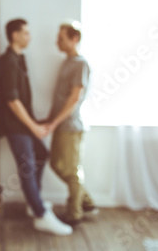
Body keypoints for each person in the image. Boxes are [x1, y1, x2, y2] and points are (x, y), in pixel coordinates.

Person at [0, 19, 72, 235]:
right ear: (15, 36)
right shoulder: (9, 61)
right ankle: (41, 214)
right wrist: (34, 127)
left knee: (41, 153)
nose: (29, 36)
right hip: (15, 126)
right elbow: (12, 100)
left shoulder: (19, 58)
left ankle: (34, 203)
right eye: (26, 33)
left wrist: (36, 123)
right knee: (27, 167)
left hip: (23, 124)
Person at [44, 20, 98, 226]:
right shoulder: (67, 62)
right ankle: (86, 201)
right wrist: (50, 121)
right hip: (61, 126)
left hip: (71, 127)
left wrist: (53, 123)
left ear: (74, 39)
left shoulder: (80, 64)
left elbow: (74, 98)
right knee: (57, 165)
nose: (57, 41)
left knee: (72, 171)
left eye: (61, 38)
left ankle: (74, 214)